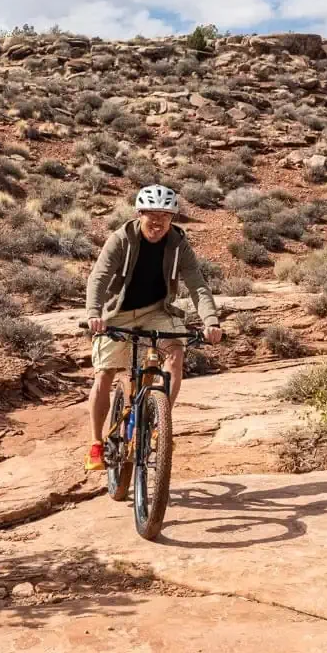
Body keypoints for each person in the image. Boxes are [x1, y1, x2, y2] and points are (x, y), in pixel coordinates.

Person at [83, 185, 223, 471]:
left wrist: (211, 321)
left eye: (165, 215)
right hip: (117, 313)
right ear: (140, 213)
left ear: (172, 218)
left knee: (176, 354)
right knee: (104, 375)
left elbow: (197, 285)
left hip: (157, 310)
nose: (158, 222)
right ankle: (97, 443)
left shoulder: (178, 244)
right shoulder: (121, 239)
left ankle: (160, 422)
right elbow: (98, 278)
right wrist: (94, 314)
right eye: (152, 215)